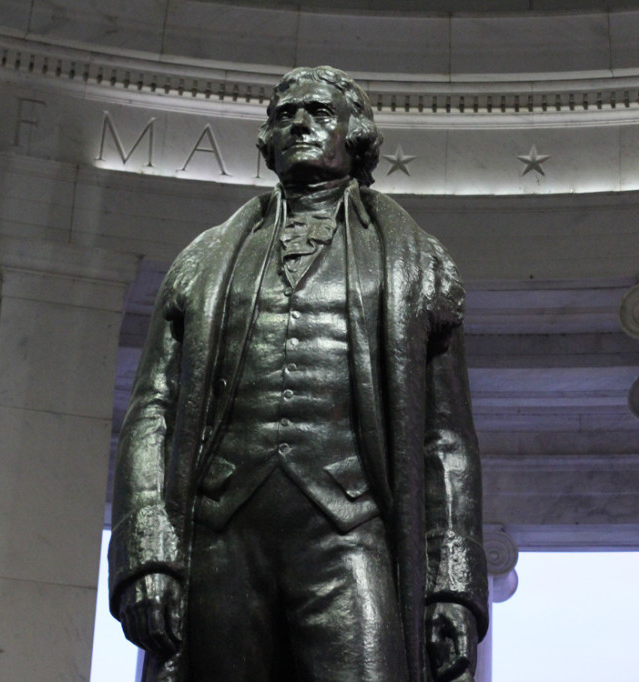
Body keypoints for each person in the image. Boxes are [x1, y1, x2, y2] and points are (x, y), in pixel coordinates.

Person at [108, 65, 487, 682]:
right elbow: (153, 410)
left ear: (354, 134)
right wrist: (147, 553)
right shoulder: (203, 260)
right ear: (266, 139)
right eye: (284, 115)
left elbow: (445, 438)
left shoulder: (417, 262)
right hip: (222, 531)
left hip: (351, 532)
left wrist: (452, 586)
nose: (299, 124)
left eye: (319, 112)